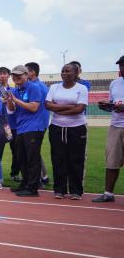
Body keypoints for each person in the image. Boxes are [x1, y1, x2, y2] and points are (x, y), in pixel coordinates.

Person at [45, 64, 89, 200]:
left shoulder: (81, 88)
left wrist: (57, 108)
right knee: (58, 158)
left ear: (76, 73)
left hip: (76, 128)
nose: (64, 73)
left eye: (68, 71)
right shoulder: (54, 87)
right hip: (57, 127)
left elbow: (79, 109)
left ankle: (76, 191)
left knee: (76, 159)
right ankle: (59, 189)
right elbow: (47, 105)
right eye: (62, 71)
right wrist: (69, 107)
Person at [6, 65, 45, 197]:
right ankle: (25, 183)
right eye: (14, 75)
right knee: (21, 157)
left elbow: (34, 107)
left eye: (19, 75)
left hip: (34, 127)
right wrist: (9, 101)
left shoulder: (34, 88)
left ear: (26, 75)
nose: (16, 77)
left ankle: (33, 187)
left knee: (32, 158)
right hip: (21, 127)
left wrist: (16, 100)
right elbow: (12, 109)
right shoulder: (16, 90)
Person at [94, 55, 124, 202]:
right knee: (112, 160)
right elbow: (113, 103)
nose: (122, 68)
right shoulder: (115, 83)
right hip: (116, 126)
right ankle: (108, 194)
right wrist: (106, 106)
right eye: (121, 65)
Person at [25, 62, 51, 186]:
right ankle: (44, 176)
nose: (23, 75)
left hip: (36, 124)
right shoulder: (39, 86)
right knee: (34, 152)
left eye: (25, 72)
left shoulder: (36, 87)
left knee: (33, 153)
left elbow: (35, 107)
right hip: (36, 123)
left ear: (32, 72)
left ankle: (37, 180)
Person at [0, 66, 21, 181]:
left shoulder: (13, 90)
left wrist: (8, 100)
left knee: (16, 151)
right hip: (1, 125)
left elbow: (15, 106)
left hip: (13, 125)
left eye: (5, 73)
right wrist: (2, 100)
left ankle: (14, 173)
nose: (2, 75)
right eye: (0, 73)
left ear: (9, 76)